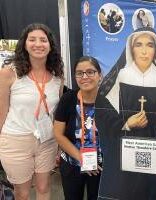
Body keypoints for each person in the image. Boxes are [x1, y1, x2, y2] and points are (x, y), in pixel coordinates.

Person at [95, 27, 156, 200]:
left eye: (149, 45)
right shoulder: (119, 77)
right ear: (131, 48)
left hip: (155, 156)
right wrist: (127, 124)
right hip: (123, 156)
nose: (144, 51)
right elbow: (103, 114)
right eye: (139, 45)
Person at [0, 23, 64, 200]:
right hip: (16, 141)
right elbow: (1, 112)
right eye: (32, 39)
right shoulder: (9, 74)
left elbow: (55, 114)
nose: (38, 44)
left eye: (43, 40)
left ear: (50, 46)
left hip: (47, 141)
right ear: (24, 44)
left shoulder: (58, 77)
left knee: (44, 187)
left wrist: (59, 145)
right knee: (22, 192)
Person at [53, 56, 103, 200]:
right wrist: (80, 157)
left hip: (100, 166)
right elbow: (58, 134)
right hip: (72, 162)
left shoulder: (108, 100)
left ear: (100, 75)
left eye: (90, 72)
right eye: (79, 73)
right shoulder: (68, 99)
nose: (85, 76)